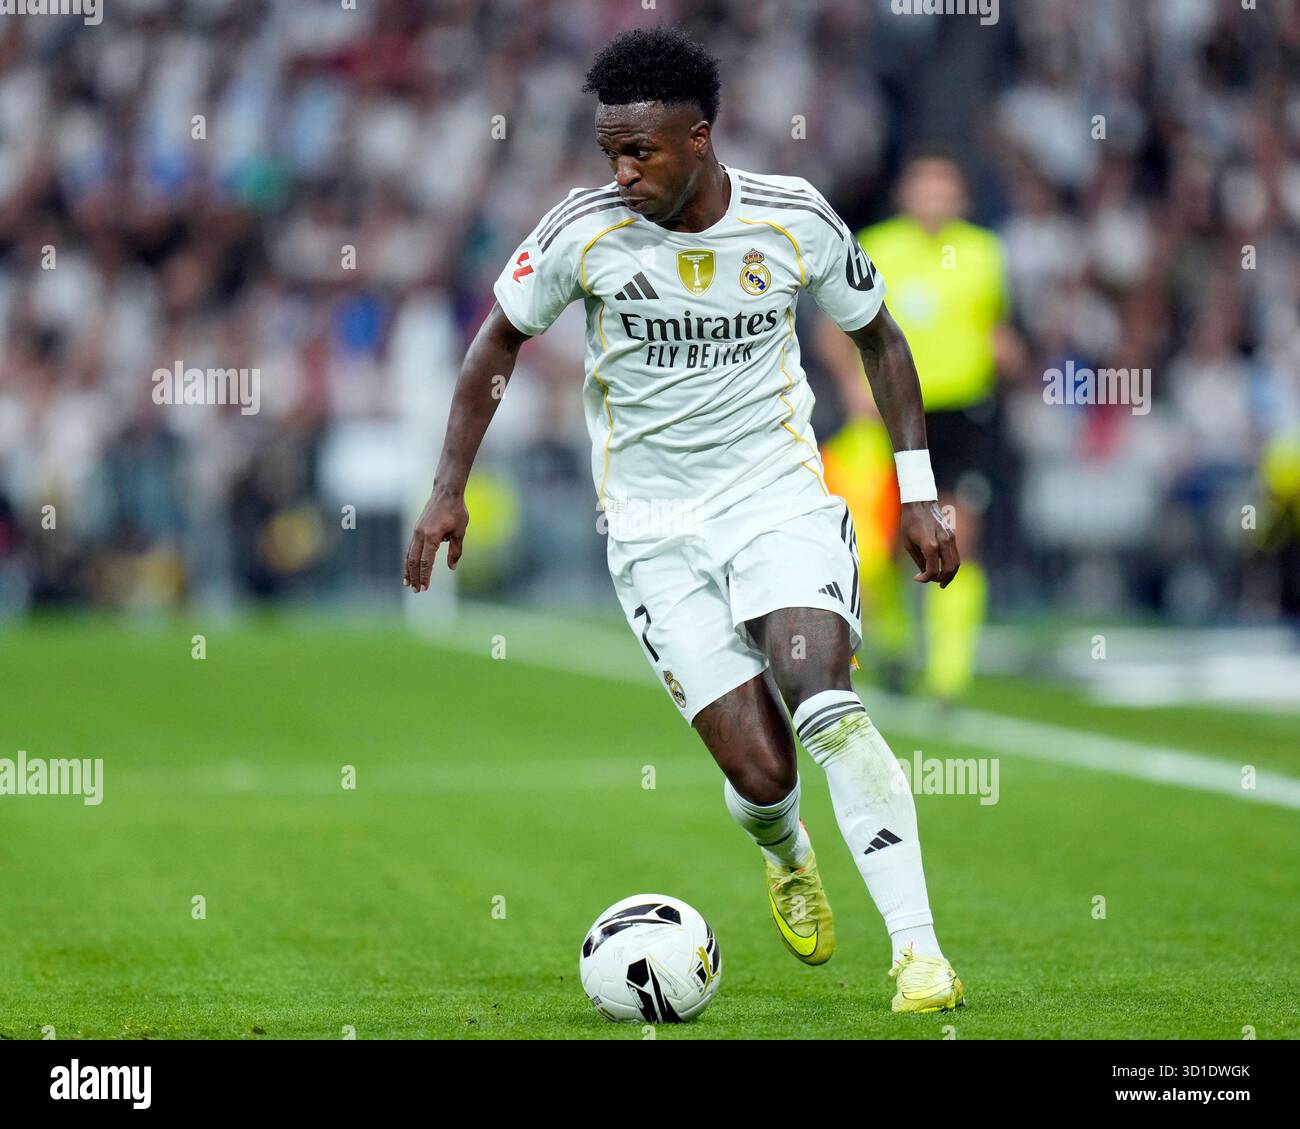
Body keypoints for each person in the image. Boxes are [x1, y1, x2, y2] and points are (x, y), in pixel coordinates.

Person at [403, 27, 964, 1014]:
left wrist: (917, 491)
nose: (620, 173)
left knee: (823, 700)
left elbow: (879, 336)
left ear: (698, 139)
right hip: (653, 526)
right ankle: (785, 849)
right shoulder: (581, 231)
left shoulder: (792, 218)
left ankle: (918, 955)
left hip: (776, 499)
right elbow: (495, 340)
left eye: (640, 153)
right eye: (609, 151)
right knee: (759, 767)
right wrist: (449, 486)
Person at [823, 147, 1022, 703]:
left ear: (960, 197)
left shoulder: (985, 254)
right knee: (875, 539)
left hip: (960, 413)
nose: (935, 199)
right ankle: (895, 643)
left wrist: (1012, 359)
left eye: (945, 188)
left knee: (955, 533)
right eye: (924, 187)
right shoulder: (877, 247)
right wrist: (851, 384)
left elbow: (996, 329)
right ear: (906, 194)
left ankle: (948, 678)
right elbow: (833, 331)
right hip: (888, 411)